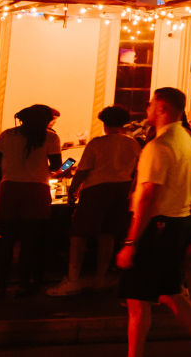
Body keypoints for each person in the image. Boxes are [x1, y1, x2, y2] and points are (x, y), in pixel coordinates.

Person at [89, 88, 191, 357]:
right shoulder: (187, 140)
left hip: (158, 226)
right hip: (179, 221)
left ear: (162, 108)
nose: (147, 108)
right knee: (172, 292)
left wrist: (131, 242)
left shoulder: (158, 145)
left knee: (138, 300)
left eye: (151, 104)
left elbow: (149, 195)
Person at [48, 105, 141, 296]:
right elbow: (138, 170)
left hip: (96, 189)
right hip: (121, 189)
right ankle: (101, 277)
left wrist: (73, 190)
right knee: (107, 234)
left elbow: (83, 170)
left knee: (79, 234)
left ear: (104, 123)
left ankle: (73, 279)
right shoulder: (133, 144)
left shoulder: (97, 143)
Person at [0, 104, 62, 297]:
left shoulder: (7, 135)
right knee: (31, 240)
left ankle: (0, 284)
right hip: (37, 190)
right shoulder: (51, 137)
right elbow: (55, 165)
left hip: (9, 188)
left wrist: (6, 170)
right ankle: (26, 283)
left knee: (6, 239)